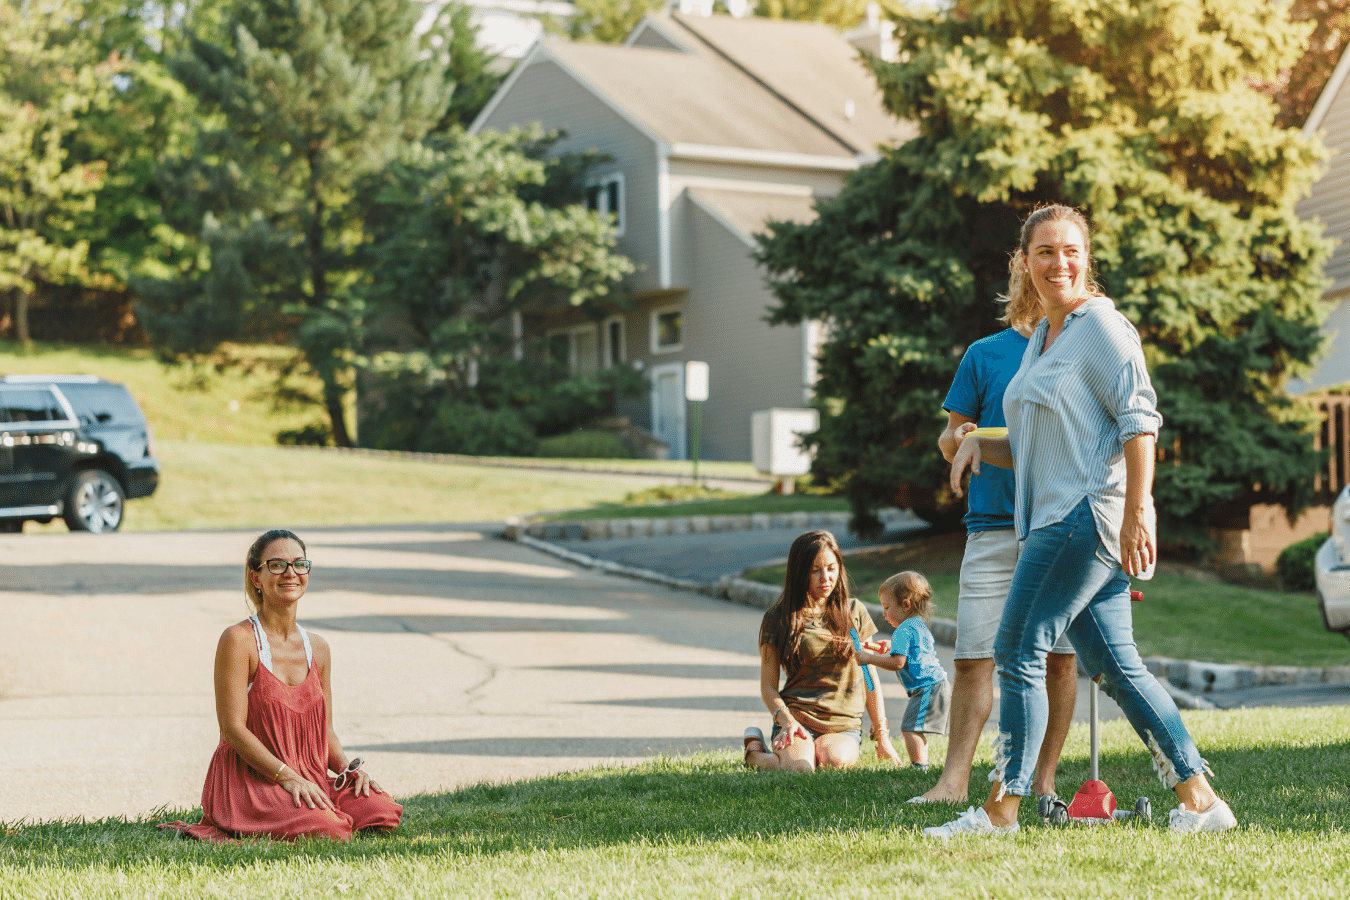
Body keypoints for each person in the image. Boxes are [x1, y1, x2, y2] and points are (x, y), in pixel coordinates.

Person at [927, 205, 1236, 837]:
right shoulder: (1043, 336)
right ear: (1025, 262)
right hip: (1058, 518)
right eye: (1044, 252)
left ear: (1085, 259)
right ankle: (1202, 800)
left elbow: (1139, 420)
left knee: (1018, 650)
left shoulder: (1102, 327)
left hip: (1081, 519)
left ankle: (1001, 810)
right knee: (1118, 667)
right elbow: (1035, 442)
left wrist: (1138, 510)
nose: (1057, 262)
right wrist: (976, 443)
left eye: (1070, 251)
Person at [912, 297, 1078, 805]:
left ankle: (1042, 782)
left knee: (1059, 660)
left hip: (1056, 521)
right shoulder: (985, 354)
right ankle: (953, 781)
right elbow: (950, 436)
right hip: (990, 526)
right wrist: (957, 438)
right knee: (972, 659)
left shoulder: (1080, 345)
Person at [162, 529, 403, 842]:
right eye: (276, 565)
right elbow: (232, 729)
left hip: (309, 779)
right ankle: (304, 814)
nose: (290, 573)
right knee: (328, 830)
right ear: (256, 577)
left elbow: (325, 730)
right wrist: (286, 776)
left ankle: (319, 807)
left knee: (380, 811)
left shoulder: (318, 647)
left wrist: (347, 770)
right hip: (252, 782)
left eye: (299, 564)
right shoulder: (238, 640)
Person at [742, 530, 902, 772]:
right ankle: (754, 753)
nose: (825, 578)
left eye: (831, 568)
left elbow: (870, 678)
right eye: (815, 570)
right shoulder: (778, 618)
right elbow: (768, 686)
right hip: (796, 719)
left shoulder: (855, 612)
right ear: (799, 572)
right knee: (801, 769)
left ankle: (776, 755)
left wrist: (883, 736)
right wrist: (786, 722)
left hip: (842, 725)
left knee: (833, 762)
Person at [852, 572, 951, 772]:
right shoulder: (917, 625)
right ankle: (921, 765)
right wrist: (886, 647)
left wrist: (868, 658)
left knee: (909, 728)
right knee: (914, 728)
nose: (884, 613)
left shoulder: (903, 630)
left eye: (887, 607)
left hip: (927, 687)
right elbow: (912, 652)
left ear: (905, 605)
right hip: (937, 685)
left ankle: (919, 767)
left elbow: (898, 663)